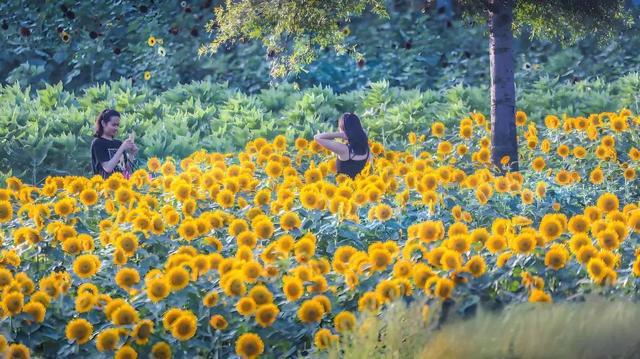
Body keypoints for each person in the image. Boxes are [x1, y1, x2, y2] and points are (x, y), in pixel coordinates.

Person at [314, 112, 372, 179]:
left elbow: (317, 137)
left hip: (343, 188)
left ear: (344, 130)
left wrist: (341, 135)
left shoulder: (344, 150)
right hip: (359, 187)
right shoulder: (366, 149)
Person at [90, 109, 138, 179]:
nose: (116, 128)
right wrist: (122, 147)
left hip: (122, 186)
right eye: (113, 125)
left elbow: (127, 171)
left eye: (118, 125)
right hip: (105, 187)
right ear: (103, 123)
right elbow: (108, 168)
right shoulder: (98, 143)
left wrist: (131, 154)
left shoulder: (118, 143)